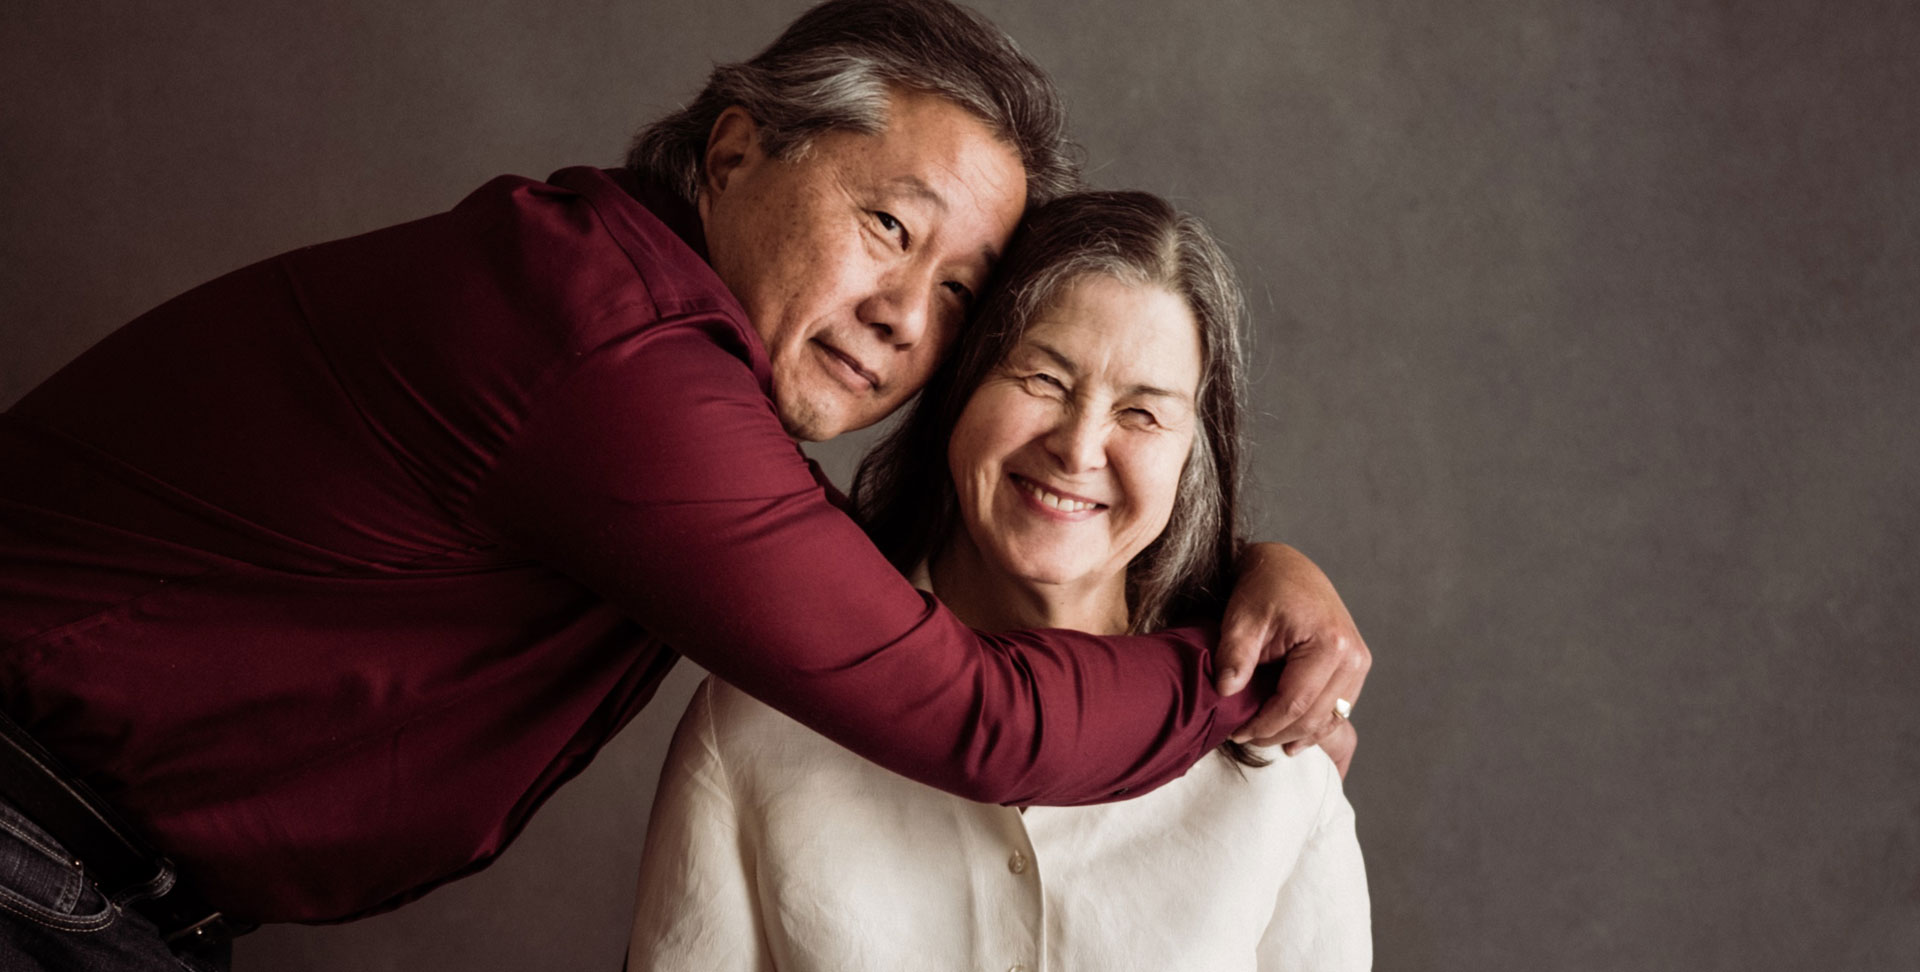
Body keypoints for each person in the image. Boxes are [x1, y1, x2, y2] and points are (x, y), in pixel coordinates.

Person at [0, 2, 1369, 970]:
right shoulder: (614, 351)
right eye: (889, 225)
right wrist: (1243, 677)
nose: (905, 314)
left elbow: (849, 594)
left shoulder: (639, 356)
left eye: (958, 292)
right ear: (731, 155)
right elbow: (971, 708)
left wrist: (1254, 571)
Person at [629, 190, 1369, 972]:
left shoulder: (1282, 774)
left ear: (1194, 461)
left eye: (1143, 414)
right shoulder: (756, 725)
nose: (1080, 449)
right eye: (1044, 379)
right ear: (960, 389)